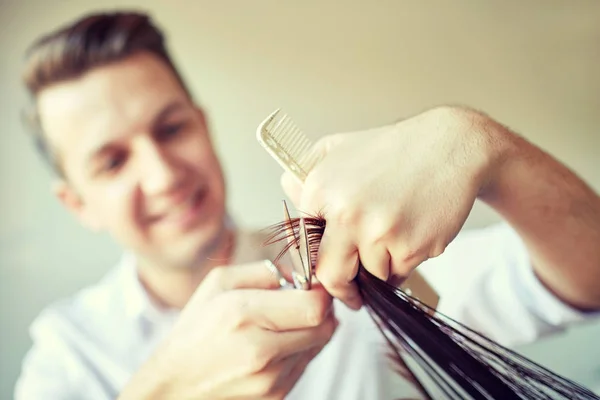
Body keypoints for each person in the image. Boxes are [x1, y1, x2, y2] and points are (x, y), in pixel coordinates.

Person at [13, 10, 599, 400]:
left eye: (170, 130)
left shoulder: (347, 254)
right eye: (112, 162)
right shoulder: (69, 354)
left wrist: (483, 145)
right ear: (78, 204)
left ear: (204, 127)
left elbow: (590, 277)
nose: (163, 175)